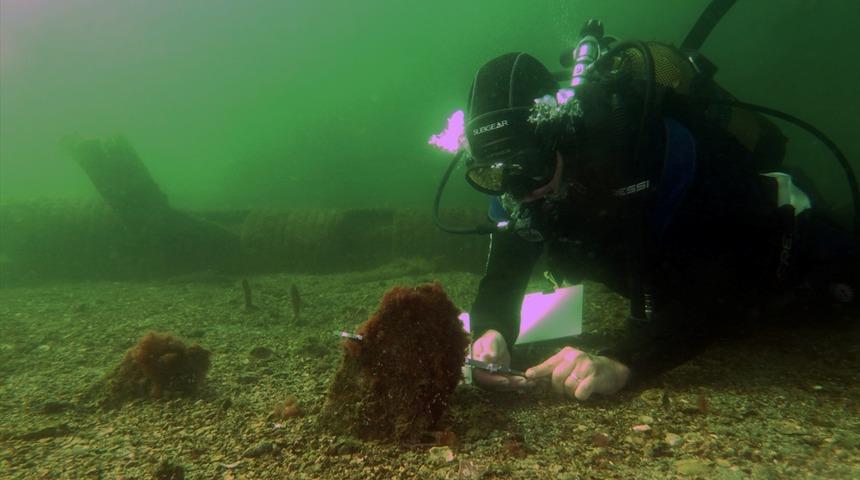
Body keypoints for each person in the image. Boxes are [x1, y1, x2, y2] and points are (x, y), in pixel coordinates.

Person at [461, 46, 858, 401]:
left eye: (529, 168)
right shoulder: (525, 191)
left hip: (787, 257)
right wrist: (491, 332)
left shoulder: (643, 149)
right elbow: (503, 275)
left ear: (559, 136)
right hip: (687, 295)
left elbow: (727, 283)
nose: (519, 190)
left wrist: (623, 361)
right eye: (495, 176)